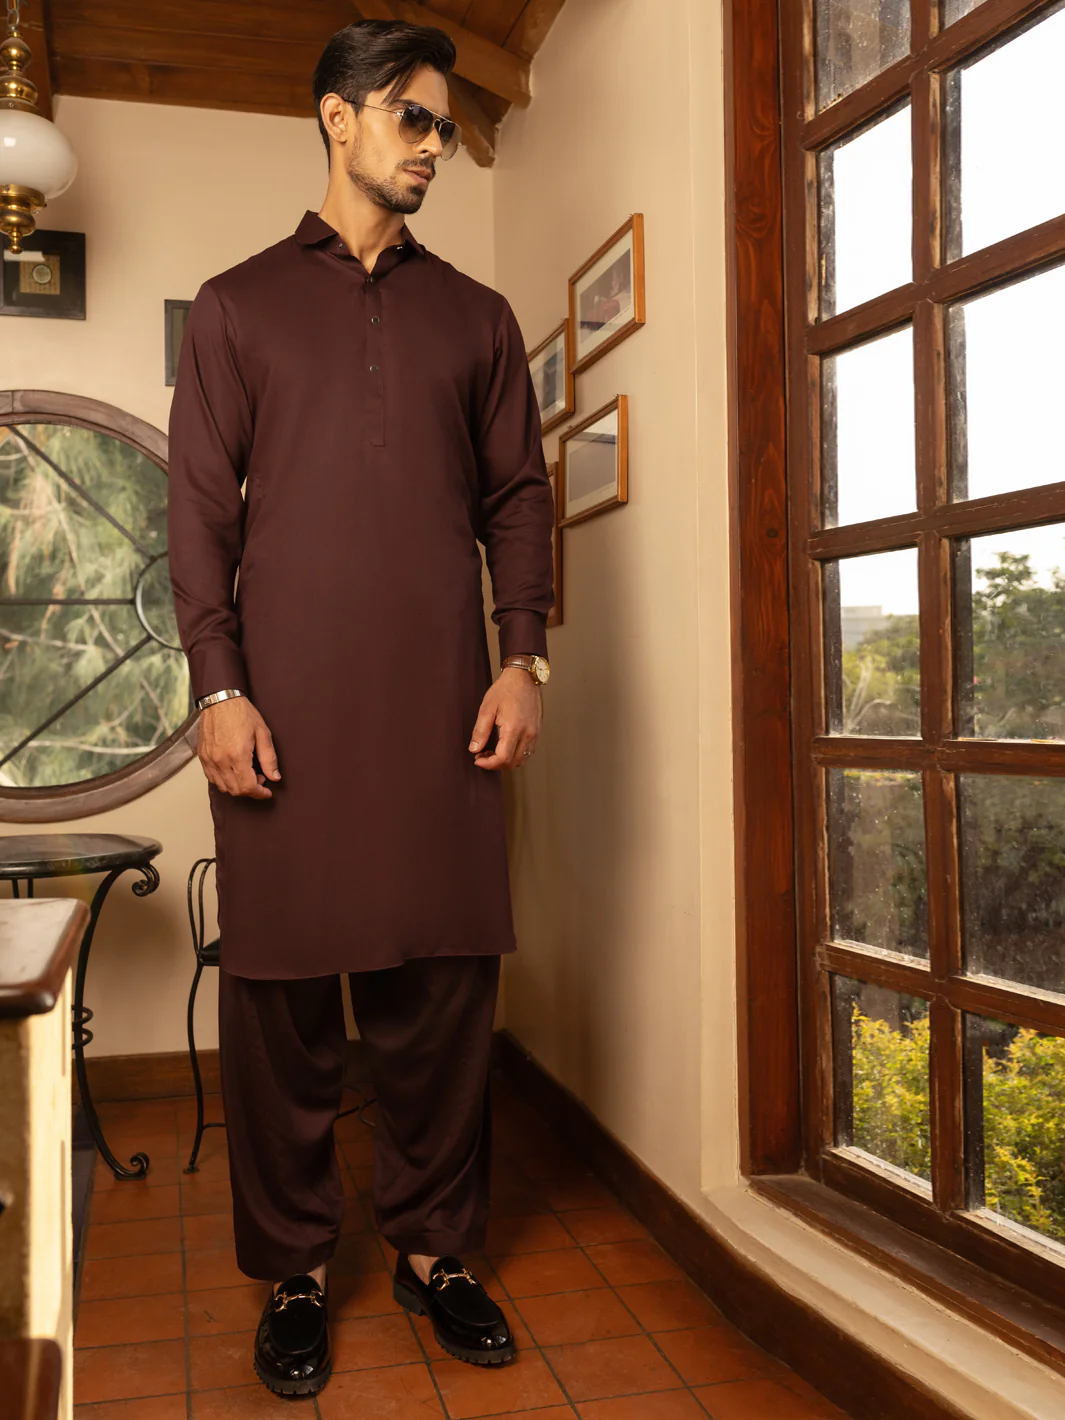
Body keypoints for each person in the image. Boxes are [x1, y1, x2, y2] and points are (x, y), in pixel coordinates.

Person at [166, 17, 555, 1398]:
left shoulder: (479, 319)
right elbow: (199, 516)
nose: (435, 145)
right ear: (338, 118)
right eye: (412, 117)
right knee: (279, 1011)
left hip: (445, 712)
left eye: (445, 124)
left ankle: (436, 1252)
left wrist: (524, 660)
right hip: (282, 712)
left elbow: (519, 498)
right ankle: (292, 1273)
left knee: (443, 998)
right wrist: (220, 687)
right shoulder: (236, 307)